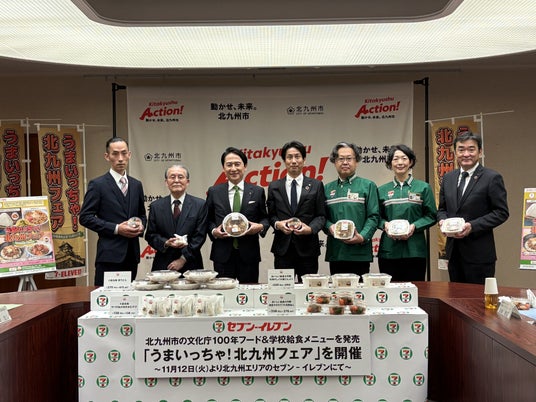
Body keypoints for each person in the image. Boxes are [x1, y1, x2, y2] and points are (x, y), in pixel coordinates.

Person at [437, 131, 509, 284]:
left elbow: (501, 212)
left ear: (480, 152)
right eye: (461, 149)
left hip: (479, 254)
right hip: (454, 252)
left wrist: (472, 226)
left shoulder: (491, 177)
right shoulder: (448, 178)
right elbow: (442, 209)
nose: (466, 154)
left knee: (478, 297)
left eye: (471, 149)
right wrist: (442, 221)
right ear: (455, 152)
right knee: (455, 295)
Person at [80, 137, 146, 286]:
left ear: (129, 154)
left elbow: (141, 214)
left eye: (124, 153)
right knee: (105, 297)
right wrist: (116, 228)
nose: (120, 158)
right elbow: (85, 217)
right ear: (107, 156)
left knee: (128, 297)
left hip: (131, 255)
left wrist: (141, 225)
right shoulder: (98, 185)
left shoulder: (136, 185)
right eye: (115, 154)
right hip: (109, 256)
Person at [204, 147, 269, 283]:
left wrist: (260, 227)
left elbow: (265, 218)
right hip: (222, 255)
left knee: (249, 292)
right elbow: (207, 219)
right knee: (224, 293)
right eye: (229, 165)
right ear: (223, 168)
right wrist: (214, 231)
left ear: (245, 166)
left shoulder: (257, 191)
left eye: (237, 164)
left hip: (249, 254)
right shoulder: (214, 191)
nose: (233, 168)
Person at [267, 140, 326, 281]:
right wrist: (278, 224)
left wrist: (310, 229)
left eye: (297, 156)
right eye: (289, 157)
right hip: (282, 249)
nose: (293, 161)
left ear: (304, 160)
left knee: (308, 290)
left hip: (308, 249)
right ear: (284, 161)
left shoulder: (316, 185)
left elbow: (321, 215)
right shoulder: (274, 186)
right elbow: (271, 215)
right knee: (283, 290)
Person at [377, 144, 437, 281]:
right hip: (389, 251)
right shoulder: (381, 190)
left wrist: (414, 226)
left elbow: (432, 215)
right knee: (389, 290)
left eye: (404, 158)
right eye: (395, 159)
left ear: (410, 162)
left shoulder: (423, 187)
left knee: (416, 289)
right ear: (390, 163)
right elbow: (376, 217)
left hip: (415, 250)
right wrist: (385, 225)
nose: (400, 162)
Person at [324, 142, 379, 276]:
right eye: (340, 159)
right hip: (336, 252)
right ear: (334, 162)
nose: (345, 162)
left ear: (357, 161)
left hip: (359, 252)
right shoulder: (327, 188)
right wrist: (329, 227)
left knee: (360, 289)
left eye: (349, 158)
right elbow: (322, 217)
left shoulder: (368, 186)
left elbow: (374, 216)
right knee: (337, 289)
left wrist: (362, 237)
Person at [145, 165, 207, 273]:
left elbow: (199, 237)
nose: (176, 180)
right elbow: (150, 235)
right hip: (164, 264)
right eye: (172, 177)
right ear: (166, 182)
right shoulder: (156, 206)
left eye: (180, 177)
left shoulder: (200, 205)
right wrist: (166, 242)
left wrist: (183, 259)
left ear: (187, 182)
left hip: (191, 263)